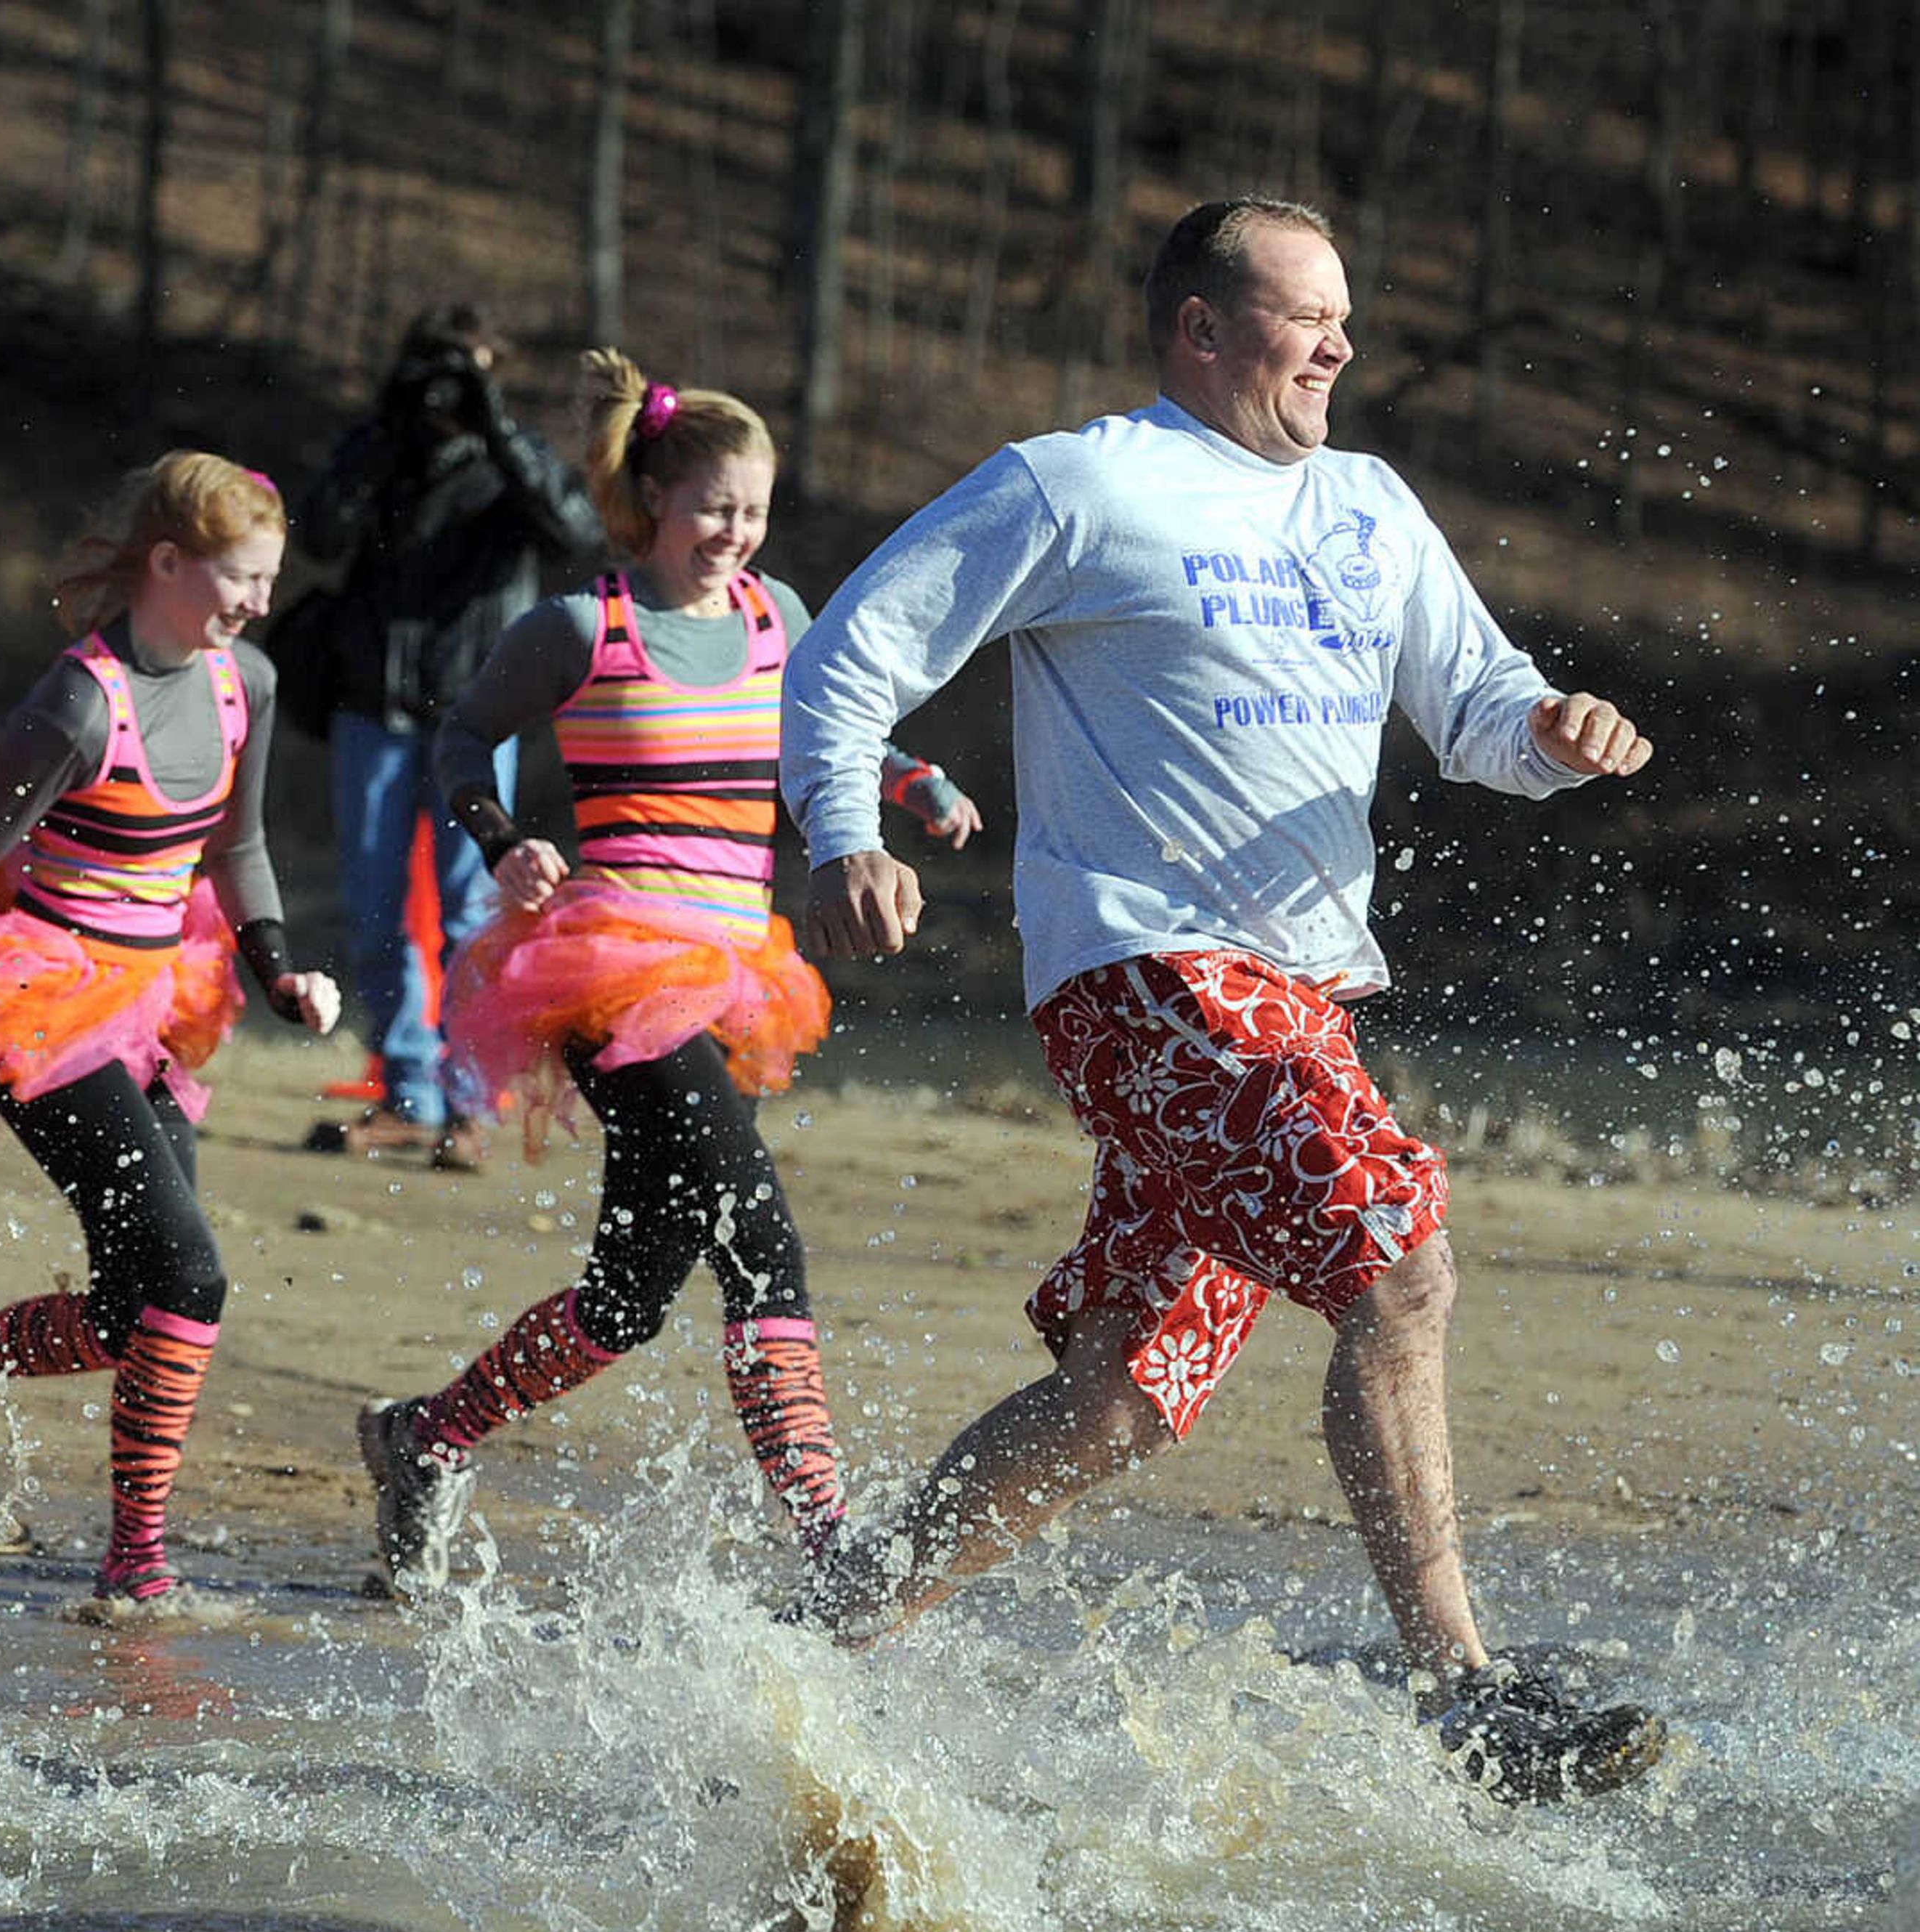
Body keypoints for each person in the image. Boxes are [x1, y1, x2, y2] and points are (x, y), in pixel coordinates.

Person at [779, 198, 1665, 1805]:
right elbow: (851, 650)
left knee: (1119, 1397)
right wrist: (844, 829)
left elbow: (1478, 709)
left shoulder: (1371, 506)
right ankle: (1460, 1697)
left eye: (1347, 319)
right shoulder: (1085, 482)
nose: (1341, 345)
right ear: (1200, 327)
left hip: (1297, 997)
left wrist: (1557, 730)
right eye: (1306, 315)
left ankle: (806, 1642)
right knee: (1398, 1269)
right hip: (1151, 978)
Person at [354, 351, 980, 1599]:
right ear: (651, 501)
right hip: (606, 969)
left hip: (735, 967)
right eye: (710, 509)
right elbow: (462, 739)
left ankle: (424, 1436)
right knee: (762, 1236)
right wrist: (498, 836)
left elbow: (838, 723)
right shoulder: (584, 627)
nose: (733, 534)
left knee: (630, 1296)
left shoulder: (778, 617)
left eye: (750, 512)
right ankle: (828, 1541)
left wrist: (912, 784)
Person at [0, 452, 341, 1610]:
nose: (259, 604)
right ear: (167, 563)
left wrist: (276, 970)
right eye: (242, 578)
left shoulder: (243, 680)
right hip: (39, 1005)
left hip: (164, 998)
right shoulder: (79, 698)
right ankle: (136, 1559)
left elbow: (243, 847)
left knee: (136, 1308)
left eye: (268, 581)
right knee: (194, 1276)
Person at [293, 303, 605, 1172]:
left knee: (472, 913)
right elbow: (317, 534)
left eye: (464, 368)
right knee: (376, 913)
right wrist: (385, 429)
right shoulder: (380, 451)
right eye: (433, 368)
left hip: (478, 710)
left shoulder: (512, 460)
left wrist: (493, 418)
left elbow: (574, 530)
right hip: (372, 705)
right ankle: (407, 1093)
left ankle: (471, 1104)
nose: (444, 389)